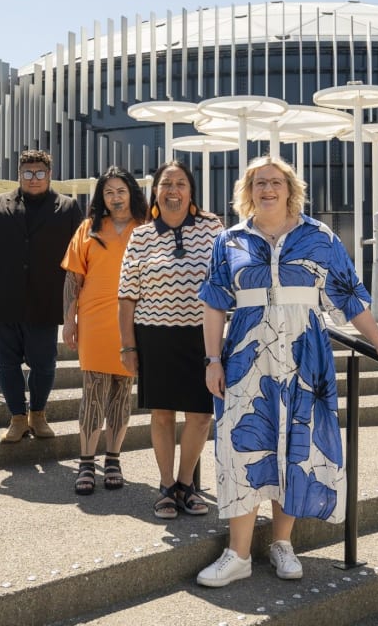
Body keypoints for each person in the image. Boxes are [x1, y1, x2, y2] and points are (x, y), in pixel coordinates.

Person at [195, 155, 378, 587]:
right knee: (242, 449)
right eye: (259, 183)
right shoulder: (230, 242)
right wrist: (212, 360)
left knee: (296, 447)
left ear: (290, 188)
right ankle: (237, 553)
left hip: (305, 357)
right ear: (248, 190)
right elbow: (214, 302)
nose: (268, 189)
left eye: (276, 182)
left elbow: (350, 298)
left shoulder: (320, 238)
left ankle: (282, 544)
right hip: (245, 358)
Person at [118, 159, 224, 519]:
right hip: (155, 337)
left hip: (202, 338)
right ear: (155, 192)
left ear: (191, 192)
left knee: (200, 416)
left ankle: (185, 485)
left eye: (180, 184)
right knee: (162, 414)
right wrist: (128, 346)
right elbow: (127, 295)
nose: (173, 190)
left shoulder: (212, 228)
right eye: (166, 184)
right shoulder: (141, 235)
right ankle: (165, 485)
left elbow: (226, 283)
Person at [0, 148, 83, 443]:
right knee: (6, 364)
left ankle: (38, 414)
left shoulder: (67, 208)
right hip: (1, 300)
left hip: (45, 301)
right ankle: (17, 417)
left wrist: (79, 301)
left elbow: (81, 255)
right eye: (28, 173)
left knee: (44, 363)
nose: (34, 179)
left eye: (40, 173)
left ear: (49, 175)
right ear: (19, 174)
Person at [61, 167, 148, 495]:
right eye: (109, 192)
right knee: (94, 389)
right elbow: (73, 279)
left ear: (131, 193)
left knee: (123, 391)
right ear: (102, 197)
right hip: (95, 319)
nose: (115, 197)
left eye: (121, 191)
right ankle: (86, 462)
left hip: (132, 321)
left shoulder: (146, 229)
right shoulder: (88, 229)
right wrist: (69, 320)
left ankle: (113, 458)